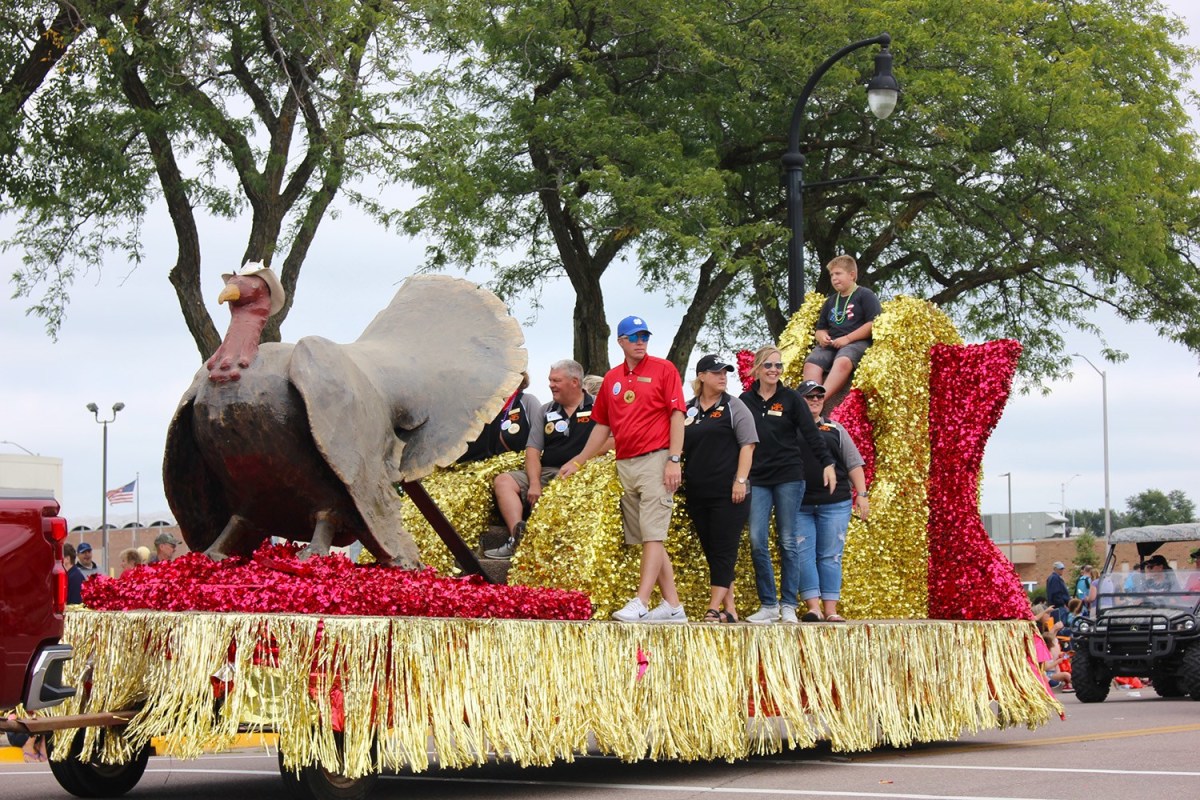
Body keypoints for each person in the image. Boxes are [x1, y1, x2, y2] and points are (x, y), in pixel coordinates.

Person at [558, 315, 688, 623]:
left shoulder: (664, 369)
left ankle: (641, 602)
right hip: (625, 462)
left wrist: (674, 458)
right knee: (648, 536)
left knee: (654, 534)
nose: (641, 341)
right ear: (621, 342)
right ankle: (673, 605)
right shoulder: (612, 377)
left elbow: (677, 415)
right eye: (634, 337)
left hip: (656, 458)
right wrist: (579, 460)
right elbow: (601, 426)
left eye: (644, 336)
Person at [737, 347, 835, 624]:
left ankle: (789, 604)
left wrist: (827, 463)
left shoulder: (792, 399)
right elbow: (737, 440)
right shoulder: (745, 400)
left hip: (789, 476)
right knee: (757, 540)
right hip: (758, 478)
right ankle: (768, 604)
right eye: (768, 365)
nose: (774, 370)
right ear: (757, 368)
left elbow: (812, 435)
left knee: (788, 541)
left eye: (778, 366)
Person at [485, 360, 601, 559]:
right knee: (503, 481)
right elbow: (532, 450)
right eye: (550, 380)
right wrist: (535, 483)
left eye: (556, 380)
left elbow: (613, 441)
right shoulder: (546, 410)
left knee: (565, 485)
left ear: (575, 382)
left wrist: (578, 462)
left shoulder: (599, 406)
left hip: (583, 473)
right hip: (548, 471)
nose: (550, 385)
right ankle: (517, 538)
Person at [681, 355, 757, 622]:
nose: (723, 377)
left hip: (729, 491)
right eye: (716, 373)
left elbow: (748, 445)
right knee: (712, 551)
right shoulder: (688, 409)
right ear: (701, 376)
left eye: (725, 372)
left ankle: (713, 608)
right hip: (698, 490)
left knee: (724, 549)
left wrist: (740, 481)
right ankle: (731, 609)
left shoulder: (734, 407)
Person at [794, 380, 869, 622]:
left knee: (831, 555)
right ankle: (813, 608)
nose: (815, 400)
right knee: (803, 554)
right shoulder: (788, 430)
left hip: (834, 503)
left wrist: (862, 495)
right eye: (809, 397)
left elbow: (854, 463)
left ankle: (831, 610)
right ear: (799, 401)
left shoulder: (835, 429)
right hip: (799, 504)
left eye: (819, 397)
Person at [801, 254, 882, 412]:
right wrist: (821, 336)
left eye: (838, 274)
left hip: (856, 342)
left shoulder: (865, 295)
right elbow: (820, 328)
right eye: (832, 275)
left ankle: (821, 399)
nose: (834, 278)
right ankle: (810, 399)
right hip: (832, 343)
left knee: (843, 361)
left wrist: (848, 338)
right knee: (811, 363)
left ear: (852, 275)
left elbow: (873, 324)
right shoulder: (830, 301)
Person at [457, 372, 540, 463]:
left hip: (518, 468)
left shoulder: (528, 401)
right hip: (483, 469)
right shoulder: (482, 407)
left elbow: (541, 439)